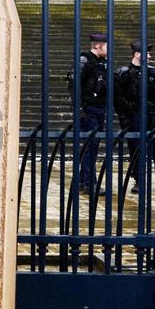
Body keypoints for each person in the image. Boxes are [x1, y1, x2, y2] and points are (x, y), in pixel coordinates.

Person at [114, 39, 155, 193]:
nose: (149, 56)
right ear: (137, 54)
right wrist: (123, 117)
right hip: (135, 114)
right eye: (147, 53)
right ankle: (139, 181)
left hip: (153, 114)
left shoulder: (153, 71)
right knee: (136, 148)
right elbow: (118, 98)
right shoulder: (123, 73)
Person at [68, 33, 108, 196]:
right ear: (98, 46)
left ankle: (84, 180)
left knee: (92, 147)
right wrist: (79, 108)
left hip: (98, 109)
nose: (108, 49)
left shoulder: (102, 63)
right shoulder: (85, 60)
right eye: (106, 46)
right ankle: (88, 182)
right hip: (88, 109)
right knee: (89, 147)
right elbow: (74, 83)